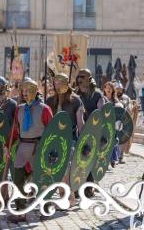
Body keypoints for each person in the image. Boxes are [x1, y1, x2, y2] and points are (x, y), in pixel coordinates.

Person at [7, 78, 53, 224]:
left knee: (42, 179)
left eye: (27, 91)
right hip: (22, 146)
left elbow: (52, 132)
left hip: (39, 146)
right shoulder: (19, 109)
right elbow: (15, 129)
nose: (24, 94)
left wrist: (49, 150)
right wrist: (7, 146)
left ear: (34, 91)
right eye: (23, 91)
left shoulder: (44, 109)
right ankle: (21, 212)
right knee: (18, 179)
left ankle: (45, 209)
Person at [45, 73, 84, 206]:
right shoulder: (50, 101)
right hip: (53, 139)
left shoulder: (76, 100)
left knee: (65, 168)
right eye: (56, 83)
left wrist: (83, 140)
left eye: (61, 82)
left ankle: (69, 196)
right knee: (58, 169)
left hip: (70, 138)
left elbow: (80, 123)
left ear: (67, 83)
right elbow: (46, 122)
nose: (58, 85)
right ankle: (64, 195)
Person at [74, 68, 104, 197]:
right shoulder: (75, 95)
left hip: (92, 132)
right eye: (78, 76)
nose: (80, 79)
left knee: (90, 159)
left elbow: (102, 113)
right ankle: (75, 186)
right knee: (77, 160)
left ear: (89, 79)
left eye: (82, 77)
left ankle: (89, 187)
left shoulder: (97, 95)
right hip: (77, 132)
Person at [103, 82, 123, 168]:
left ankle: (112, 159)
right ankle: (104, 160)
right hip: (103, 124)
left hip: (112, 124)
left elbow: (120, 111)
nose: (108, 89)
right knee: (103, 142)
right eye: (107, 88)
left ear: (112, 90)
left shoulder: (115, 101)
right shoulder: (101, 99)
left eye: (110, 88)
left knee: (112, 142)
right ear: (104, 89)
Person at [115, 82, 132, 163]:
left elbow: (129, 109)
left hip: (123, 121)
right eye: (117, 89)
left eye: (120, 89)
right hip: (113, 120)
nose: (119, 91)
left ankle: (120, 156)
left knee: (122, 139)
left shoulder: (126, 98)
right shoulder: (112, 97)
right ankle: (113, 156)